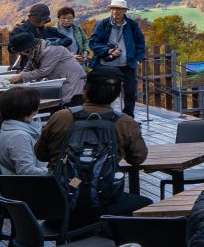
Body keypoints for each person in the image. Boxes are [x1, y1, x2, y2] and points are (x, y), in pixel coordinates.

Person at [35, 70, 152, 222]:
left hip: (60, 207)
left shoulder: (61, 116)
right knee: (146, 205)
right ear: (117, 96)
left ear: (85, 92)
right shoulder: (125, 122)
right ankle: (118, 242)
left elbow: (40, 154)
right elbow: (138, 158)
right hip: (103, 205)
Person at [88, 0, 145, 115]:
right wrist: (108, 50)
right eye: (113, 9)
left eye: (118, 9)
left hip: (127, 64)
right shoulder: (103, 24)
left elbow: (140, 42)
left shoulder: (132, 25)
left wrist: (138, 58)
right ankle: (107, 115)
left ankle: (128, 117)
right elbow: (93, 42)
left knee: (130, 92)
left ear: (125, 11)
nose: (115, 12)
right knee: (106, 91)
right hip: (106, 65)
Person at [7, 29, 87, 105]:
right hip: (62, 80)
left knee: (70, 105)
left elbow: (44, 71)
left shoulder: (51, 49)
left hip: (71, 80)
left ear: (26, 50)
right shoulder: (35, 51)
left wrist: (21, 76)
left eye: (20, 53)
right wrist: (20, 76)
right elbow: (29, 66)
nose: (20, 55)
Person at [0, 86, 48, 176]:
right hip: (30, 186)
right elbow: (26, 172)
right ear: (29, 108)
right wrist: (53, 171)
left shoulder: (10, 127)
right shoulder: (18, 136)